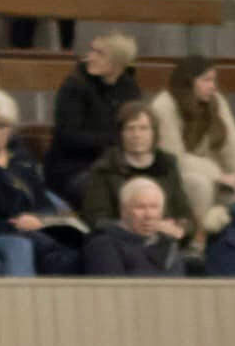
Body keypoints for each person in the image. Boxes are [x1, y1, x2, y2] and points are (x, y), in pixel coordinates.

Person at [147, 55, 235, 236]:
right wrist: (218, 175)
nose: (213, 86)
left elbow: (232, 141)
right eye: (206, 80)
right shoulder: (164, 106)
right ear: (188, 81)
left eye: (214, 80)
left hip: (212, 172)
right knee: (199, 184)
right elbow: (173, 158)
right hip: (174, 175)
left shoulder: (216, 101)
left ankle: (229, 243)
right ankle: (197, 240)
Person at [43, 31, 140, 205]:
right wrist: (114, 141)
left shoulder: (129, 88)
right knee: (110, 188)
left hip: (117, 163)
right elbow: (69, 136)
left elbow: (134, 124)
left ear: (118, 62)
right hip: (74, 167)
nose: (90, 57)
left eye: (100, 53)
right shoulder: (74, 86)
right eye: (92, 50)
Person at [79, 101, 195, 241]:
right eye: (130, 128)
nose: (137, 135)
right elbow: (97, 221)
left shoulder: (167, 165)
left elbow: (185, 214)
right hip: (122, 243)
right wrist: (143, 227)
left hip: (164, 242)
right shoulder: (105, 169)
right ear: (120, 134)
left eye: (144, 128)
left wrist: (180, 230)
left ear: (154, 133)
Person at [0, 90, 79, 276]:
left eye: (3, 126)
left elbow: (45, 205)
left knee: (77, 246)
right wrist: (15, 225)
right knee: (20, 246)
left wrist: (39, 220)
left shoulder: (23, 165)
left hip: (33, 231)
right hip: (6, 233)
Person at [81, 177, 184, 276]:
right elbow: (111, 292)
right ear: (123, 210)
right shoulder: (104, 246)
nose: (149, 215)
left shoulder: (169, 245)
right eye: (140, 207)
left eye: (154, 207)